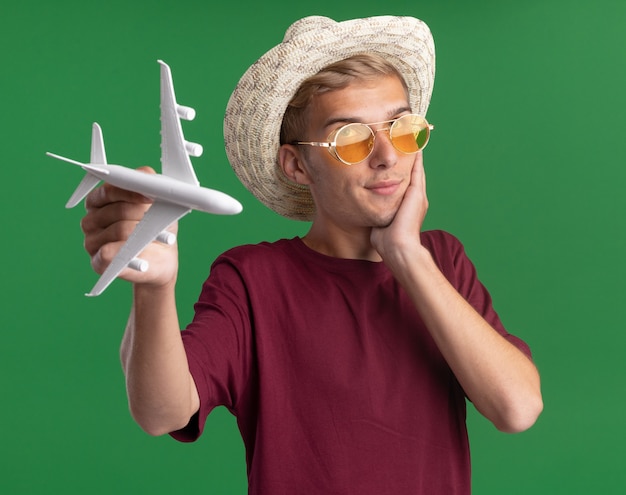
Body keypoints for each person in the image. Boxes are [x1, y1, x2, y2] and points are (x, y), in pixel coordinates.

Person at [81, 15, 543, 494]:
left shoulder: (441, 261)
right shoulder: (252, 279)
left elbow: (518, 408)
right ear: (297, 165)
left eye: (402, 128)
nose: (386, 155)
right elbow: (161, 413)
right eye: (351, 138)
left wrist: (406, 254)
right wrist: (156, 289)